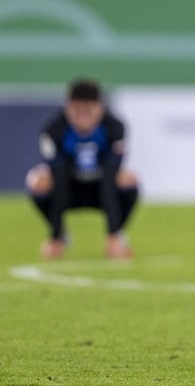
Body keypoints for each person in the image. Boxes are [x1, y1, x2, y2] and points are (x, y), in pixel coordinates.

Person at [25, 78, 139, 259]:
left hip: (101, 188)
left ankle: (117, 236)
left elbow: (110, 177)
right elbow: (59, 178)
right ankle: (61, 235)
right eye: (77, 111)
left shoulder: (114, 128)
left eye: (88, 111)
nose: (83, 117)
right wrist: (54, 236)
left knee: (128, 179)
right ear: (68, 108)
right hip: (69, 188)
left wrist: (113, 235)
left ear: (100, 108)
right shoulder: (53, 131)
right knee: (39, 181)